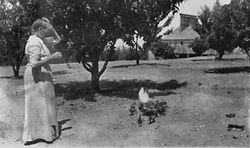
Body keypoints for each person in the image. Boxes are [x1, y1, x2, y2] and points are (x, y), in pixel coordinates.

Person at [23, 18, 62, 145]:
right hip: (37, 74)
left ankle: (44, 133)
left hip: (42, 73)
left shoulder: (40, 40)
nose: (48, 34)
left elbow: (57, 40)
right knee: (39, 103)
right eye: (46, 31)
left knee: (45, 103)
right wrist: (52, 57)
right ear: (40, 30)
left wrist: (52, 28)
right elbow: (34, 64)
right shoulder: (34, 43)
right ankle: (37, 135)